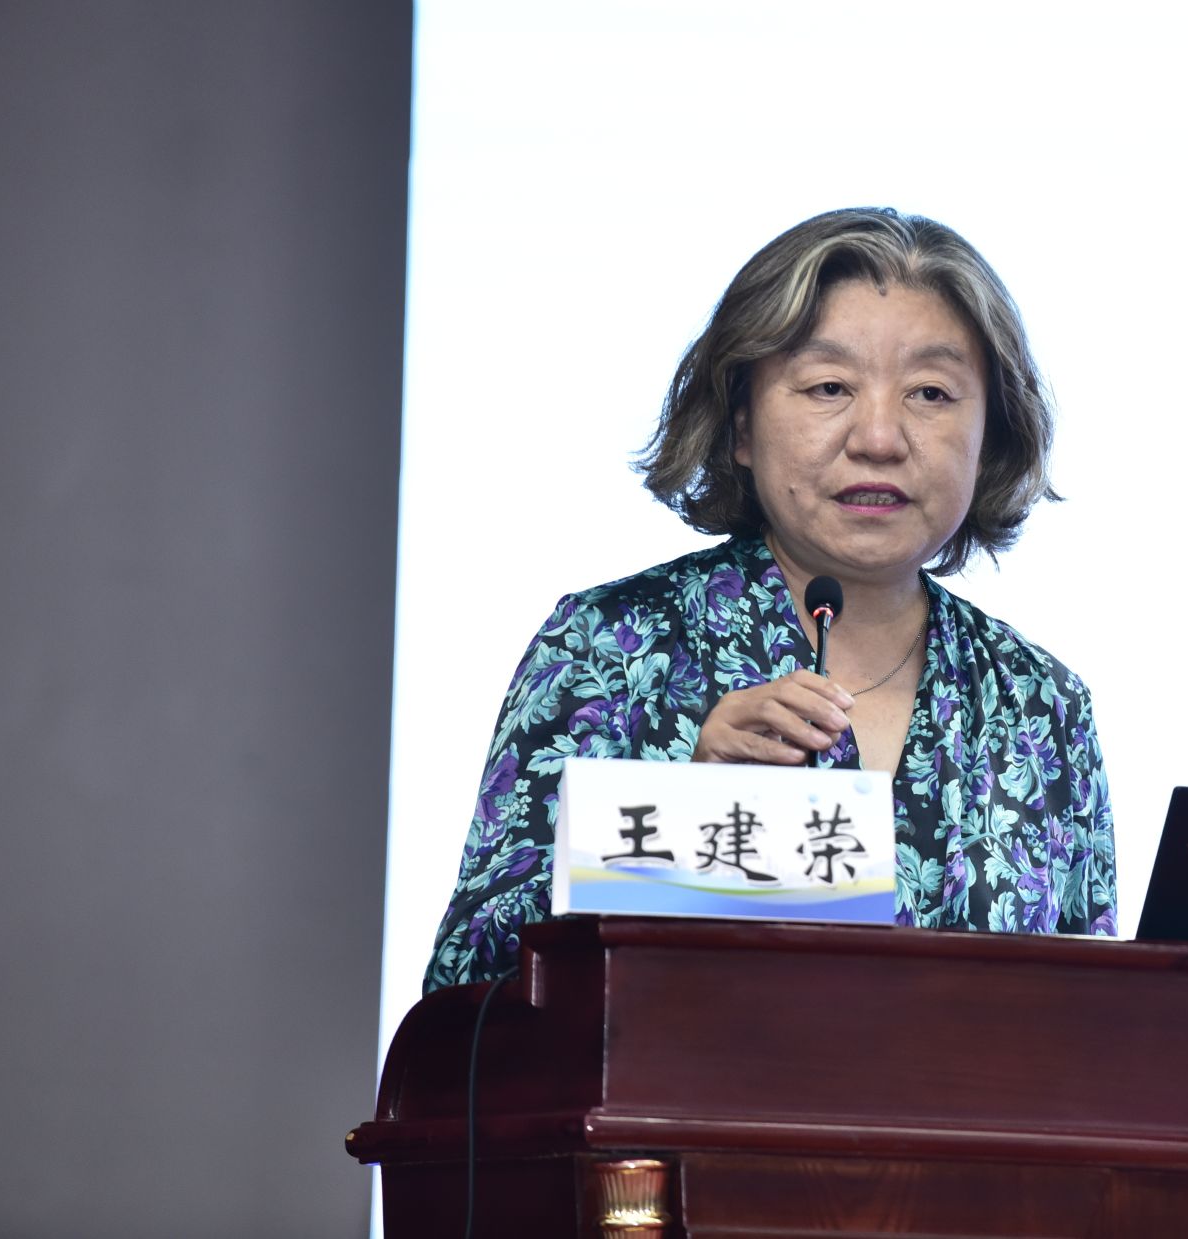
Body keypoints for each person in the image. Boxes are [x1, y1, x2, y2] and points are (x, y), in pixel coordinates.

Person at [424, 208, 1116, 990]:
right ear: (742, 426)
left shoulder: (1040, 703)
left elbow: (1093, 1017)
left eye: (930, 392)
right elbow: (468, 983)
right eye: (830, 387)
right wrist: (682, 828)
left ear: (992, 435)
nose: (880, 438)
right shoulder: (613, 646)